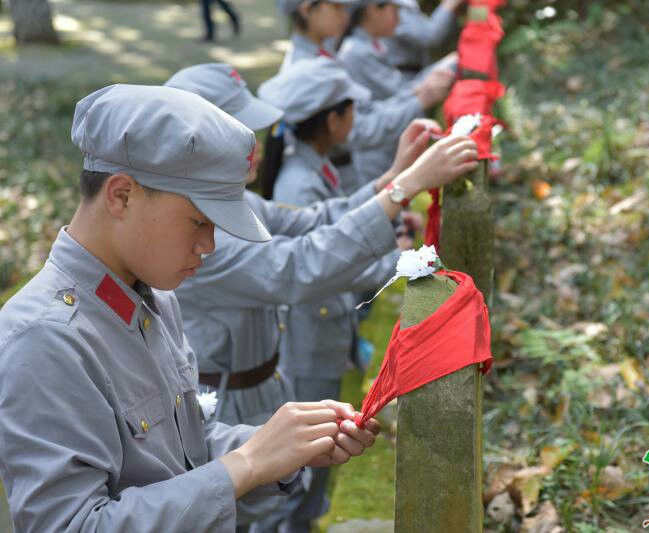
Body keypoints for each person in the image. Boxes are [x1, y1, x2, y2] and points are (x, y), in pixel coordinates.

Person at [0, 84, 383, 532]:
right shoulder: (45, 339)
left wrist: (281, 444)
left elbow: (184, 450)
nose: (209, 245)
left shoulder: (154, 297)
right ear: (121, 195)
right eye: (199, 221)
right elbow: (72, 525)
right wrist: (247, 463)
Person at [165, 63, 477, 531]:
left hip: (263, 385)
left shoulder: (229, 202)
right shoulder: (194, 226)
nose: (255, 144)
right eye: (240, 132)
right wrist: (403, 187)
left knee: (280, 500)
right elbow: (299, 265)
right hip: (225, 404)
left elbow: (308, 221)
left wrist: (391, 178)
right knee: (248, 512)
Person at [259, 57, 443, 532]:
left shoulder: (314, 166)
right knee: (297, 472)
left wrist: (399, 176)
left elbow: (336, 223)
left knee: (317, 463)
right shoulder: (298, 180)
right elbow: (322, 262)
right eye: (352, 110)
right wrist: (399, 256)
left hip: (322, 334)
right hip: (305, 342)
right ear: (335, 119)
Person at [274, 0, 451, 191]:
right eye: (336, 7)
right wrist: (419, 100)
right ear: (307, 9)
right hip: (329, 182)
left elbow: (365, 108)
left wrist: (418, 95)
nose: (345, 14)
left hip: (343, 175)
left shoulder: (325, 55)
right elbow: (358, 129)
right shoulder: (306, 69)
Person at [338, 0, 456, 178]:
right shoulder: (356, 52)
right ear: (372, 11)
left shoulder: (372, 46)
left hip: (386, 143)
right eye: (395, 11)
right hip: (375, 151)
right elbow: (400, 93)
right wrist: (428, 87)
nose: (399, 19)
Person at [385, 0, 463, 80]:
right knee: (454, 63)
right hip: (401, 78)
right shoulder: (396, 5)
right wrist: (450, 4)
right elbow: (430, 37)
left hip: (406, 75)